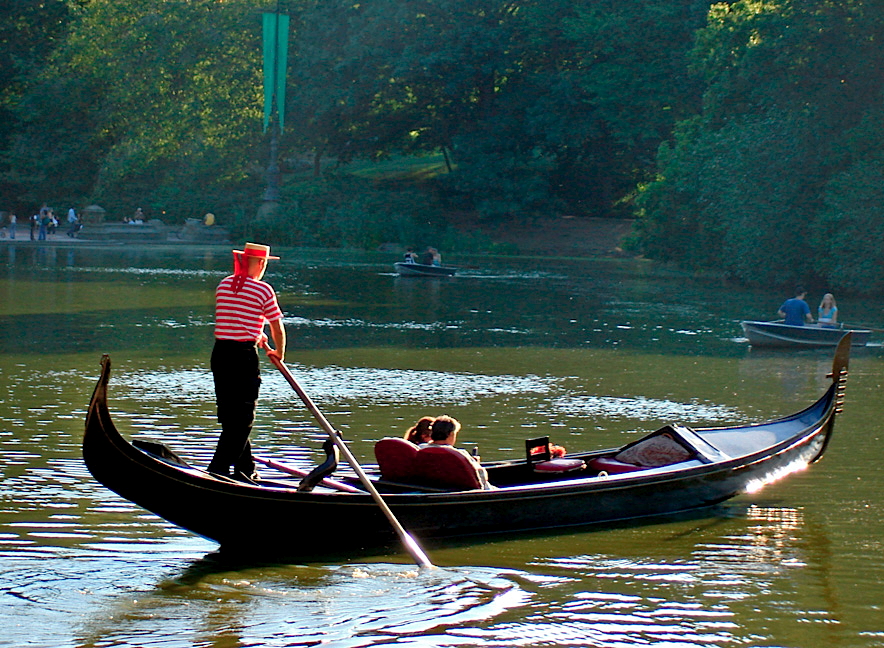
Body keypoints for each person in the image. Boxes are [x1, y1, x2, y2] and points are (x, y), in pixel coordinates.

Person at [208, 242, 286, 482]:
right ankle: (217, 470)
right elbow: (276, 326)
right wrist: (279, 352)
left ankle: (245, 470)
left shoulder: (224, 285)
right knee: (243, 419)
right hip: (242, 356)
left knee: (232, 417)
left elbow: (235, 317)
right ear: (261, 264)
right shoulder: (263, 290)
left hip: (220, 354)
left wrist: (256, 333)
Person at [424, 415, 491, 489]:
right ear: (451, 434)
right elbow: (481, 476)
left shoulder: (421, 449)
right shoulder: (459, 454)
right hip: (462, 489)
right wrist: (476, 464)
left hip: (430, 487)